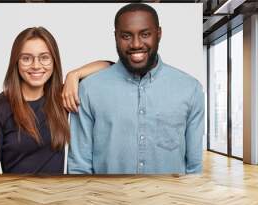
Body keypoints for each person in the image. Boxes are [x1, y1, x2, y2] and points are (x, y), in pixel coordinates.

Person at [67, 3, 205, 174]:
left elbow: (194, 167)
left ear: (159, 34)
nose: (136, 44)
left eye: (145, 34)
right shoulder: (88, 89)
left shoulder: (190, 89)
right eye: (126, 36)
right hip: (106, 199)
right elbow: (79, 166)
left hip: (169, 199)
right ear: (116, 36)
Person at [0, 27, 110, 174]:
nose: (36, 65)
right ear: (16, 62)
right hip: (16, 194)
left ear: (54, 61)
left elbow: (109, 66)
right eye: (26, 58)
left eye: (44, 57)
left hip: (55, 194)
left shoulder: (61, 96)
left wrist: (74, 74)